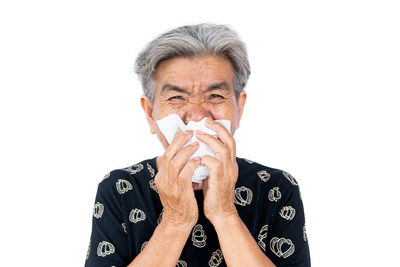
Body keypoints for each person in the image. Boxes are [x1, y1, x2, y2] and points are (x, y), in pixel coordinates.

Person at [85, 23, 311, 267]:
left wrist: (225, 214)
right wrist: (175, 220)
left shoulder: (275, 188)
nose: (196, 116)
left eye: (215, 96)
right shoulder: (120, 189)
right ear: (151, 114)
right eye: (176, 97)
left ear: (239, 108)